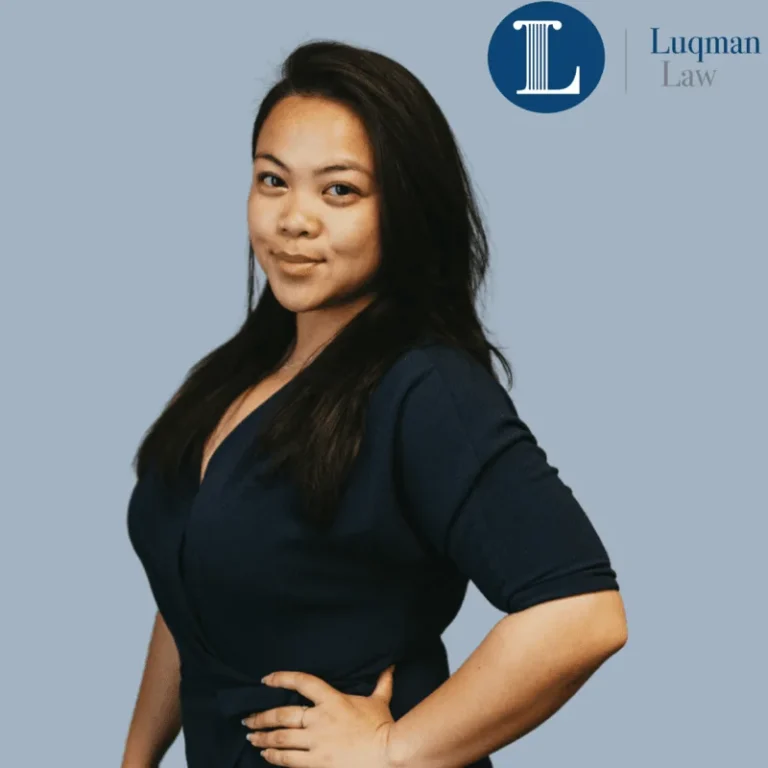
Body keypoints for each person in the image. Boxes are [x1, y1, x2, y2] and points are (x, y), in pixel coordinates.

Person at [122, 39, 627, 768]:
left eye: (339, 191)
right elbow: (189, 591)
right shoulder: (235, 375)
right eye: (272, 181)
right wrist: (136, 759)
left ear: (405, 209)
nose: (294, 220)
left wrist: (394, 749)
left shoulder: (425, 388)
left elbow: (583, 615)